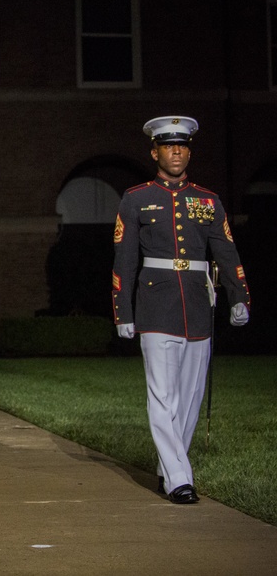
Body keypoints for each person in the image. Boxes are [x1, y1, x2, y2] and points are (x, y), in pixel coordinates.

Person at [112, 116, 250, 504]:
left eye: (182, 146)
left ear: (189, 150)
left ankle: (167, 470)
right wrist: (123, 311)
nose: (175, 152)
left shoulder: (208, 200)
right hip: (155, 306)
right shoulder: (136, 198)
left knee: (190, 398)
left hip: (197, 305)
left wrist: (239, 296)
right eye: (168, 146)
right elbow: (123, 259)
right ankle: (179, 479)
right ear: (154, 151)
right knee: (163, 396)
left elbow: (226, 251)